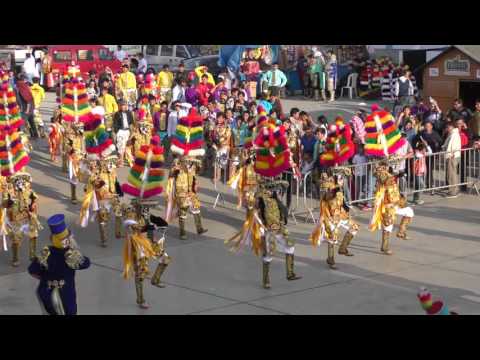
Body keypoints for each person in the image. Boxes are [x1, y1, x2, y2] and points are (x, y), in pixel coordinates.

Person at [28, 214, 90, 315]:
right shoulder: (70, 255)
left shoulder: (45, 252)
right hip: (64, 295)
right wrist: (74, 250)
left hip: (46, 292)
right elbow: (86, 263)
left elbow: (32, 271)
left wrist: (45, 279)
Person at [309, 168, 359, 270]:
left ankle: (343, 248)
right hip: (330, 216)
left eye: (342, 177)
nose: (342, 179)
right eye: (340, 177)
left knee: (354, 227)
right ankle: (330, 259)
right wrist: (336, 187)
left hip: (341, 214)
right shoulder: (327, 185)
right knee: (332, 237)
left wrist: (347, 208)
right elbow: (327, 197)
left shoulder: (340, 186)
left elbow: (342, 200)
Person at [369, 159, 415, 255]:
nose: (385, 168)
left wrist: (396, 175)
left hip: (396, 203)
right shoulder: (381, 176)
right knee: (388, 226)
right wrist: (381, 169)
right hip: (387, 206)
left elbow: (392, 183)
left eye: (386, 166)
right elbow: (382, 179)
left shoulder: (389, 176)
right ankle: (384, 247)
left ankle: (401, 231)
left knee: (409, 212)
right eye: (384, 166)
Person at [2, 173, 41, 266]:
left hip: (27, 217)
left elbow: (34, 199)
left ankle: (32, 255)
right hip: (15, 219)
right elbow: (3, 204)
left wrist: (33, 204)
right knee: (16, 240)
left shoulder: (28, 191)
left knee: (33, 235)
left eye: (23, 181)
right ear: (14, 183)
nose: (21, 184)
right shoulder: (8, 192)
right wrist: (9, 201)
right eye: (18, 181)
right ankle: (15, 258)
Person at [442, 122, 461, 198]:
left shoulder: (454, 134)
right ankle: (454, 189)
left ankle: (453, 191)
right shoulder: (452, 134)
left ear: (451, 127)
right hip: (453, 155)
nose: (447, 129)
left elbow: (453, 146)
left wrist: (451, 154)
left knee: (451, 174)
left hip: (452, 156)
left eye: (448, 127)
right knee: (452, 173)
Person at [15, 74, 38, 138]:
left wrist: (27, 110)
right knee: (31, 121)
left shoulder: (22, 87)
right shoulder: (23, 86)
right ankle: (35, 135)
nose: (16, 85)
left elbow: (28, 100)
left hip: (27, 109)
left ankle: (19, 137)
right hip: (30, 108)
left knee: (21, 123)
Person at [113, 100, 134, 166]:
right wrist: (115, 134)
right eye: (122, 105)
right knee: (121, 146)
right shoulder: (117, 114)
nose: (123, 107)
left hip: (127, 131)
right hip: (120, 131)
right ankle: (121, 161)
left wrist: (132, 132)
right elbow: (115, 124)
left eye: (125, 105)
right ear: (119, 106)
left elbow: (131, 123)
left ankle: (130, 161)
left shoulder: (129, 113)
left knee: (127, 146)